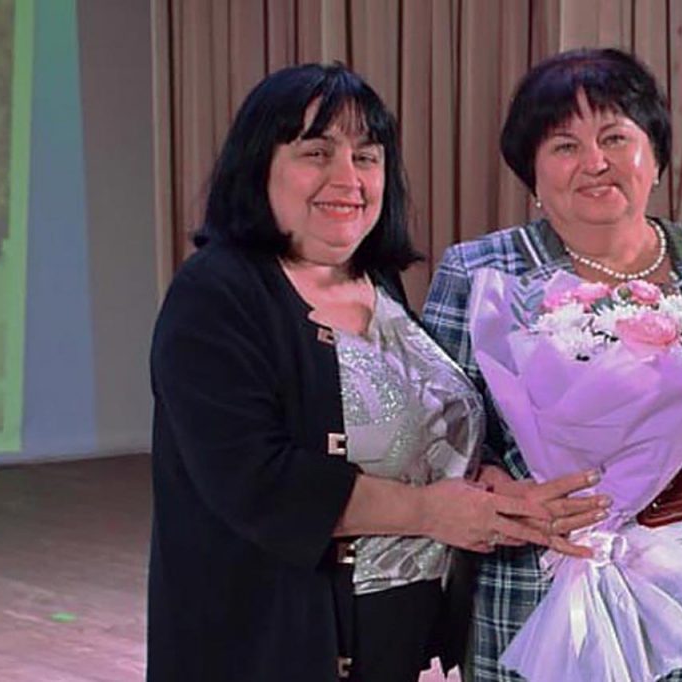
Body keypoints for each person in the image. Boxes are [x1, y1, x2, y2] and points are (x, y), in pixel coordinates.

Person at [147, 62, 607, 682]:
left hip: (401, 639)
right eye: (317, 153)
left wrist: (491, 489)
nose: (348, 178)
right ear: (258, 166)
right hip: (271, 645)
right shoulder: (216, 295)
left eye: (366, 157)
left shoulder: (376, 281)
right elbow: (257, 481)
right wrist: (431, 513)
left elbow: (415, 431)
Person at [422, 48, 682, 681]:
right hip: (538, 591)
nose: (595, 162)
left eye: (615, 137)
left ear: (656, 156)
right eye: (565, 146)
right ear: (531, 174)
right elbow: (436, 433)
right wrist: (497, 492)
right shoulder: (482, 274)